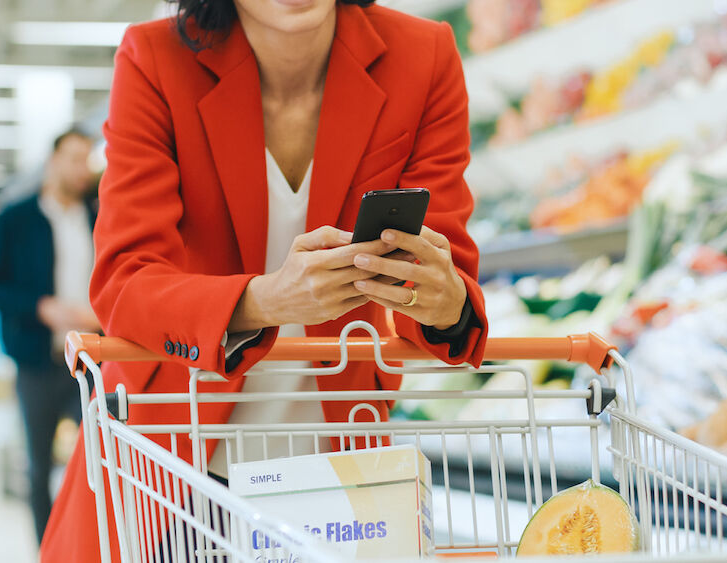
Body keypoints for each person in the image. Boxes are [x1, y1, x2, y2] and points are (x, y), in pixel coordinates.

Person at [41, 0, 488, 560]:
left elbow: (449, 271)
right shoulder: (156, 59)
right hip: (171, 457)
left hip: (335, 469)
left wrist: (444, 302)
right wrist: (264, 300)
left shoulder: (422, 56)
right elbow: (124, 280)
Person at [0, 128, 100, 544]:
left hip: (94, 362)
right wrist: (41, 307)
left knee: (98, 459)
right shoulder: (16, 218)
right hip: (38, 360)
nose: (82, 169)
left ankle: (89, 544)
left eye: (87, 159)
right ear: (53, 162)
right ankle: (47, 549)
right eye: (73, 158)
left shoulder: (99, 217)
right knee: (39, 466)